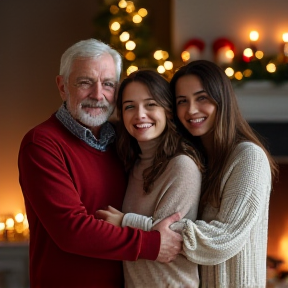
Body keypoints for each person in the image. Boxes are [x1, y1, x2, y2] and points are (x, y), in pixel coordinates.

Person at [18, 39, 182, 288]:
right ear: (62, 87)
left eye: (108, 84)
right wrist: (152, 244)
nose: (98, 95)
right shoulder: (41, 144)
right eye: (85, 82)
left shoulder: (124, 139)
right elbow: (71, 230)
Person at [165, 59, 279, 288]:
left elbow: (222, 239)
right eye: (182, 101)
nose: (191, 110)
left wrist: (136, 226)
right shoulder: (194, 161)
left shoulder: (249, 157)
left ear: (221, 100)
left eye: (202, 98)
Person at [95, 69, 203, 287]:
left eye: (150, 104)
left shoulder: (181, 166)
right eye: (129, 107)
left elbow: (167, 239)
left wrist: (124, 221)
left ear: (168, 111)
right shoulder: (134, 165)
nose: (140, 114)